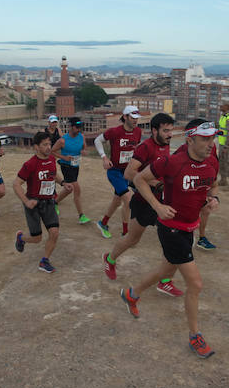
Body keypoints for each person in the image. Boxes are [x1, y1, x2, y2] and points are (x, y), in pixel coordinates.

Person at [119, 119, 221, 358]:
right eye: (205, 139)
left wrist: (214, 199)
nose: (210, 144)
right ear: (190, 139)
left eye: (212, 138)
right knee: (195, 284)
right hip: (171, 228)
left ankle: (132, 293)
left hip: (189, 227)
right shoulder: (172, 162)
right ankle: (194, 336)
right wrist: (157, 206)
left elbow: (213, 184)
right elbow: (138, 179)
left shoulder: (211, 162)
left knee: (165, 269)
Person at [103, 113, 182, 296]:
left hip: (162, 201)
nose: (170, 134)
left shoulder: (166, 145)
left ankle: (165, 281)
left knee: (173, 239)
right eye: (166, 130)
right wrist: (156, 183)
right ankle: (110, 259)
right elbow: (129, 174)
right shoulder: (145, 147)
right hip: (144, 202)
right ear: (154, 130)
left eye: (171, 130)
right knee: (133, 239)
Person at [14, 131, 63, 273]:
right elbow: (16, 184)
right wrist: (26, 202)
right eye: (45, 144)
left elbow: (53, 175)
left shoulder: (52, 159)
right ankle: (21, 237)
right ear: (36, 147)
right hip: (33, 203)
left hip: (48, 202)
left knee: (54, 233)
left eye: (49, 144)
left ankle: (44, 261)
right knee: (37, 238)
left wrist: (63, 182)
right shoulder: (30, 164)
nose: (49, 147)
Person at [94, 105, 143, 238]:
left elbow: (136, 149)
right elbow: (97, 140)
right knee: (128, 198)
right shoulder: (115, 131)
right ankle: (126, 232)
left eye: (136, 118)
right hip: (114, 171)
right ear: (125, 117)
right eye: (132, 118)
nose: (135, 121)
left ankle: (103, 223)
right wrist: (104, 157)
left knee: (117, 200)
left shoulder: (138, 132)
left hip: (127, 172)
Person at [51, 117, 91, 224]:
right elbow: (52, 151)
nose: (79, 129)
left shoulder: (81, 136)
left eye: (80, 127)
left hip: (75, 165)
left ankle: (54, 202)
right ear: (71, 127)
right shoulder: (62, 140)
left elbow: (83, 147)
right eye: (77, 127)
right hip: (66, 166)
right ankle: (81, 216)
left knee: (69, 189)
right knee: (76, 188)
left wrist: (83, 151)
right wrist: (63, 157)